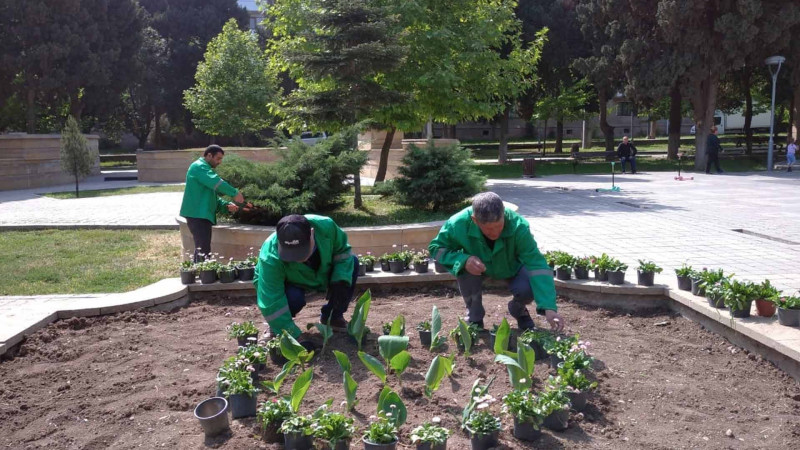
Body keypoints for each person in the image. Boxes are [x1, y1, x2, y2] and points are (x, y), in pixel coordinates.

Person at [429, 192, 565, 332]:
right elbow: (436, 248)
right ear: (475, 220)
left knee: (527, 287)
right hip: (477, 270)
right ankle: (474, 318)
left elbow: (537, 265)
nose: (494, 233)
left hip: (511, 268)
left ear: (504, 214)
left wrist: (549, 307)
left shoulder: (518, 226)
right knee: (464, 268)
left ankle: (519, 309)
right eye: (488, 229)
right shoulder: (458, 224)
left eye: (498, 226)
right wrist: (463, 260)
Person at [254, 214, 359, 339]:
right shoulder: (270, 255)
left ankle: (333, 317)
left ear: (312, 233)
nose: (298, 258)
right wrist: (293, 338)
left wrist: (340, 279)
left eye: (301, 250)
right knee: (293, 298)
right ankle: (277, 327)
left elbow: (342, 252)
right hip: (291, 281)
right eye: (290, 254)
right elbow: (270, 300)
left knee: (352, 264)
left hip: (321, 272)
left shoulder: (326, 226)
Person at [179, 145, 244, 262]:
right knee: (203, 249)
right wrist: (234, 193)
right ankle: (203, 276)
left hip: (200, 215)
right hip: (197, 215)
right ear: (209, 155)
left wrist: (225, 205)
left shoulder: (204, 169)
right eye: (218, 158)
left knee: (202, 248)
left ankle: (201, 274)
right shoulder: (198, 167)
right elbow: (216, 182)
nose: (219, 162)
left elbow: (211, 197)